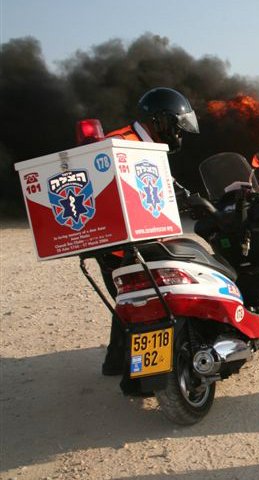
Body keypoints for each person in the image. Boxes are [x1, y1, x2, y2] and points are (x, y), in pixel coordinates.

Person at [100, 87, 199, 376]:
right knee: (141, 304)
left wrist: (189, 197)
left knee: (129, 303)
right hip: (120, 246)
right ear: (160, 120)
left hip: (140, 240)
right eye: (177, 127)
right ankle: (139, 374)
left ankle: (116, 362)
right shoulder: (119, 143)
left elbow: (158, 181)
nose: (179, 134)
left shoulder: (146, 145)